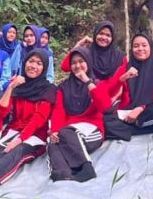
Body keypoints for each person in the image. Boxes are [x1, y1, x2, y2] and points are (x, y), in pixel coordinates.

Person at [0, 49, 57, 190]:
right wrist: (11, 87)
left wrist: (19, 139)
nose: (33, 66)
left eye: (39, 63)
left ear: (45, 68)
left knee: (18, 152)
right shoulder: (19, 86)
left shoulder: (48, 89)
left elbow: (39, 118)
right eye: (31, 61)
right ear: (24, 63)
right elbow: (1, 111)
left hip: (35, 135)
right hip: (14, 130)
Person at [48, 47, 112, 182]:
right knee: (53, 141)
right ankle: (62, 173)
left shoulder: (97, 84)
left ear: (88, 62)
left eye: (81, 61)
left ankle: (86, 168)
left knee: (66, 132)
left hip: (91, 131)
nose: (77, 66)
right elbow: (59, 111)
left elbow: (105, 106)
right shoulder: (64, 87)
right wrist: (54, 131)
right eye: (74, 63)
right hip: (69, 131)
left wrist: (87, 82)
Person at [103, 34, 153, 141]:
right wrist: (122, 79)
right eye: (136, 46)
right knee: (104, 119)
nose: (140, 49)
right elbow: (110, 93)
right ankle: (138, 129)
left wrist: (140, 108)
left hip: (146, 112)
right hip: (126, 113)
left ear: (151, 48)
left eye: (144, 45)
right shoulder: (124, 69)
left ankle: (127, 129)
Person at [61, 21, 127, 86]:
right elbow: (65, 68)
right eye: (101, 33)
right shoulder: (86, 52)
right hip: (86, 91)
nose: (103, 37)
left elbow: (123, 81)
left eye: (108, 35)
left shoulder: (120, 57)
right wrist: (77, 46)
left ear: (112, 38)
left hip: (112, 91)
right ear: (95, 34)